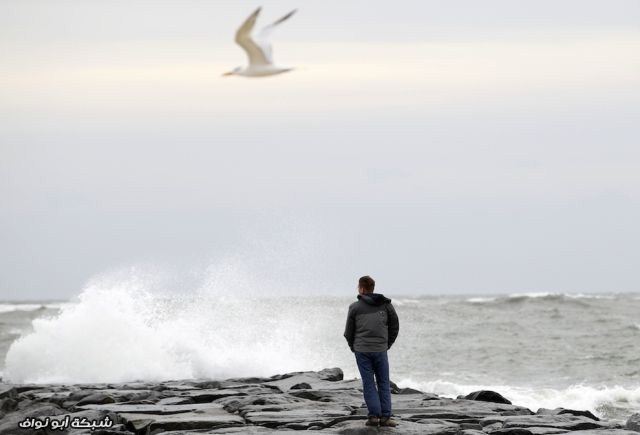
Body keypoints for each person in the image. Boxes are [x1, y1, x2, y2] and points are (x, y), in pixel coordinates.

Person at [343, 275, 400, 427]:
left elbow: (348, 332)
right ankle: (386, 418)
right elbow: (395, 326)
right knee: (383, 382)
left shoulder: (354, 307)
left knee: (369, 383)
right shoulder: (386, 305)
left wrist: (353, 347)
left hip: (362, 350)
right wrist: (387, 344)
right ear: (372, 288)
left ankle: (374, 417)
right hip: (380, 349)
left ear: (361, 288)